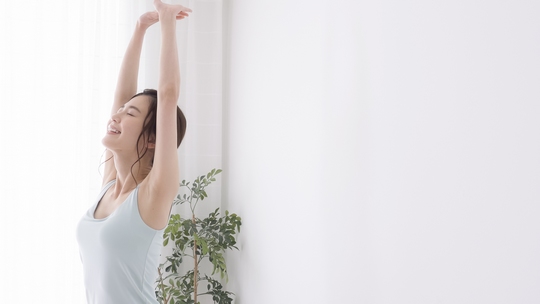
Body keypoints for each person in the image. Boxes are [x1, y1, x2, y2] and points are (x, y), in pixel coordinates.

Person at [76, 1, 191, 303]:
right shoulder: (111, 186)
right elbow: (120, 96)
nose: (115, 116)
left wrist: (168, 23)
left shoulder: (153, 193)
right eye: (120, 111)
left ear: (152, 138)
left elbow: (167, 95)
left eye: (130, 115)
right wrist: (140, 29)